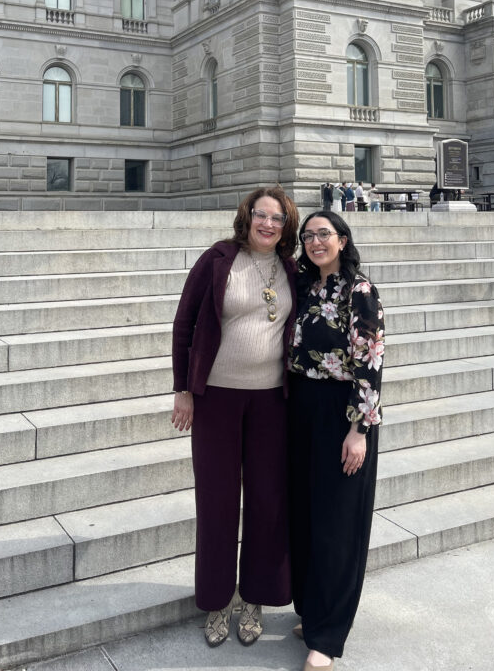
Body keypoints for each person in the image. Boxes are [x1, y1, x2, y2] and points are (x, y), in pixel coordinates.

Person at [171, 186, 299, 648]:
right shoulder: (218, 258)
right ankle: (218, 601)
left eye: (278, 218)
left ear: (286, 227)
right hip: (216, 399)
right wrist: (183, 389)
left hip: (271, 402)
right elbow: (184, 324)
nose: (268, 224)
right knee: (218, 501)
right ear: (246, 218)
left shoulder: (291, 269)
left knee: (268, 501)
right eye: (261, 215)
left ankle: (255, 598)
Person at [288, 209, 385, 670]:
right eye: (308, 236)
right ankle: (311, 613)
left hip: (344, 412)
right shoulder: (306, 288)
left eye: (324, 234)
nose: (315, 242)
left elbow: (370, 362)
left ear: (343, 240)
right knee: (307, 514)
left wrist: (358, 430)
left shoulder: (360, 291)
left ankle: (328, 637)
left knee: (338, 525)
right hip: (303, 407)